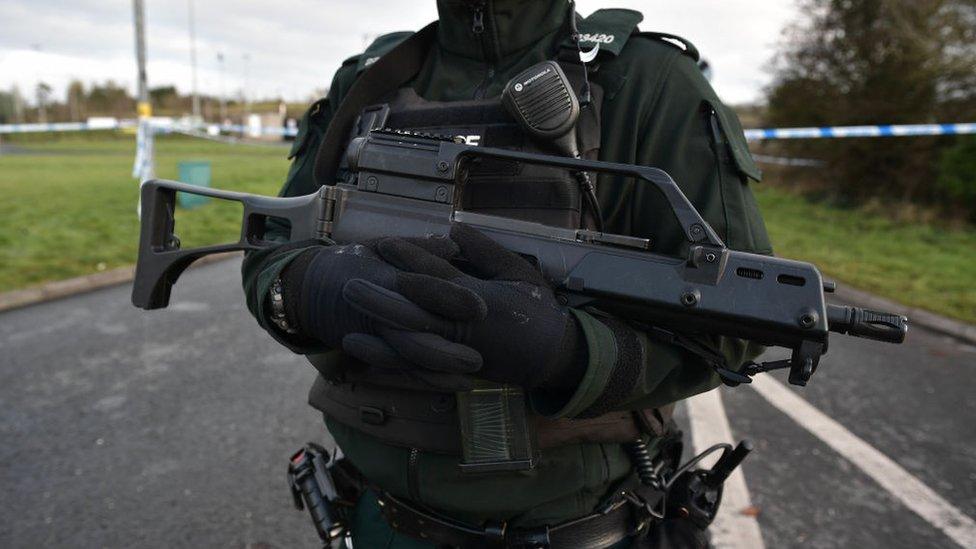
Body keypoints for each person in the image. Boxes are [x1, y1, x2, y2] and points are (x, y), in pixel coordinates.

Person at [242, 1, 772, 547]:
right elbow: (270, 245)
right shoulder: (369, 79)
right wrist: (307, 289)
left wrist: (571, 355)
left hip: (584, 529)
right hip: (376, 520)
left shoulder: (650, 82)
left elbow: (737, 321)